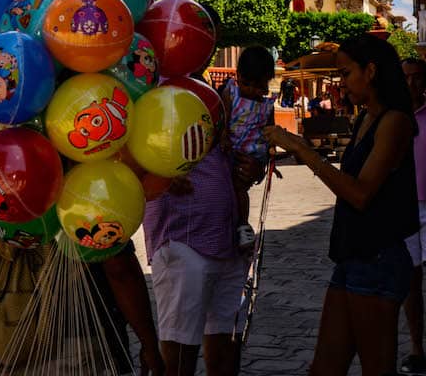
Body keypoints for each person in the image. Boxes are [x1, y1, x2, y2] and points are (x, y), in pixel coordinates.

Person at [265, 34, 419, 376]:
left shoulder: (395, 122)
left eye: (347, 74)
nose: (342, 84)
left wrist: (304, 151)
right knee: (325, 367)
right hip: (352, 256)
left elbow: (361, 194)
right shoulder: (365, 119)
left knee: (376, 368)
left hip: (378, 257)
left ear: (371, 71)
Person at [142, 143, 259, 376]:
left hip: (228, 237)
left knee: (226, 344)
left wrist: (254, 168)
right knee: (179, 352)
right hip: (183, 236)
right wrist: (155, 171)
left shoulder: (228, 109)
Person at [221, 46, 275, 249]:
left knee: (239, 187)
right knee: (229, 188)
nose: (251, 90)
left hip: (251, 152)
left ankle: (242, 224)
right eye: (247, 84)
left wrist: (270, 158)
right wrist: (224, 137)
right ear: (238, 76)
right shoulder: (230, 93)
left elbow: (270, 133)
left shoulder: (267, 105)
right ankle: (236, 225)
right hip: (230, 148)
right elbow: (223, 119)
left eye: (258, 86)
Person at [401, 57, 426, 376]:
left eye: (417, 78)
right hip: (405, 208)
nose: (411, 84)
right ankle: (416, 348)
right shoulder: (392, 117)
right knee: (411, 282)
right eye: (405, 77)